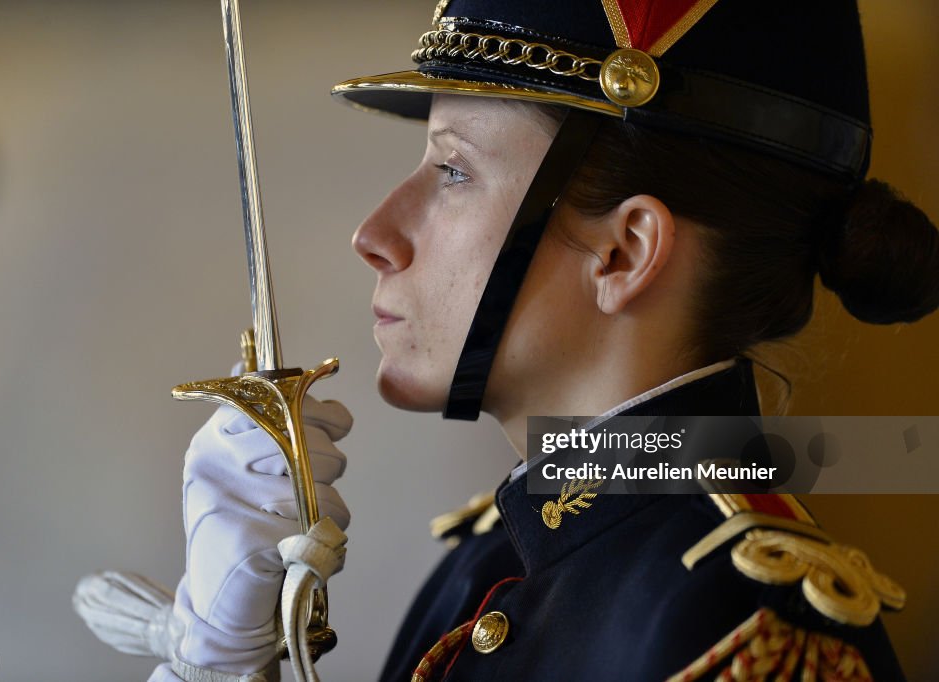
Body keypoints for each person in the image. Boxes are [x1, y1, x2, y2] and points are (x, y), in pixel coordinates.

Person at [74, 1, 938, 680]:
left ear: (623, 251)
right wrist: (230, 660)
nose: (374, 233)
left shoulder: (750, 628)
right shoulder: (490, 560)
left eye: (452, 170)